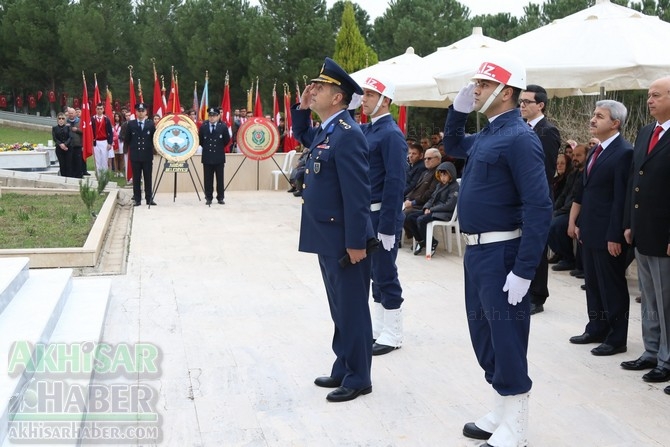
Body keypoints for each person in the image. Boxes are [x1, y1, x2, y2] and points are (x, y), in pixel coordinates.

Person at [442, 56, 551, 446]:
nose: (476, 90)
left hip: (504, 252)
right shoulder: (490, 133)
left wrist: (524, 270)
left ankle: (517, 423)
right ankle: (500, 408)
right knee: (484, 334)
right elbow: (453, 144)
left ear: (506, 92)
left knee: (506, 336)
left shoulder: (521, 139)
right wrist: (456, 112)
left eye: (483, 85)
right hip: (478, 253)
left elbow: (539, 207)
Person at [291, 57, 374, 403]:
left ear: (338, 97)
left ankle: (359, 377)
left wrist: (356, 243)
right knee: (339, 307)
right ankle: (343, 366)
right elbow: (303, 135)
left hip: (345, 239)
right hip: (327, 236)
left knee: (352, 307)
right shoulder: (328, 130)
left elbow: (358, 196)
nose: (314, 90)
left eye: (321, 88)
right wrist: (302, 107)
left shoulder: (348, 135)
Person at [568, 100, 632, 357]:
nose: (593, 120)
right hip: (590, 230)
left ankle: (617, 338)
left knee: (612, 286)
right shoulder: (596, 150)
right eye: (593, 115)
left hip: (609, 234)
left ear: (615, 123)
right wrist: (577, 222)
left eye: (600, 116)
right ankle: (596, 327)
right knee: (593, 284)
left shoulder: (624, 152)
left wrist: (615, 235)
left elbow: (620, 198)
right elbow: (587, 191)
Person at [622, 76, 670, 391]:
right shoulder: (645, 132)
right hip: (643, 231)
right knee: (650, 298)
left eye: (656, 95)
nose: (649, 100)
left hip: (665, 233)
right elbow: (633, 181)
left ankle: (667, 360)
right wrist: (629, 223)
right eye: (648, 95)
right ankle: (651, 351)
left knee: (667, 302)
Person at [360, 76, 407, 356]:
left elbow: (395, 182)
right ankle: (380, 327)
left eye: (369, 94)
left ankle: (394, 332)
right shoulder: (368, 130)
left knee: (386, 273)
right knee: (374, 274)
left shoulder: (391, 133)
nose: (363, 99)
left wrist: (388, 226)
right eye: (364, 94)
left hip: (382, 215)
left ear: (385, 100)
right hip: (368, 214)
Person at [519, 84, 561, 315]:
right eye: (521, 102)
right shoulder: (519, 127)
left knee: (536, 248)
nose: (522, 105)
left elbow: (545, 170)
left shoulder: (547, 130)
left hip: (536, 199)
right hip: (518, 200)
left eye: (527, 102)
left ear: (541, 105)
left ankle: (537, 295)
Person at [404, 161, 459, 256]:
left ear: (451, 174)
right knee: (410, 218)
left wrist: (432, 209)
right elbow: (432, 198)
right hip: (433, 210)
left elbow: (449, 205)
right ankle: (421, 240)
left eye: (445, 175)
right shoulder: (439, 185)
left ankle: (432, 242)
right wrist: (426, 207)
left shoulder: (454, 187)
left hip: (444, 213)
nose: (442, 178)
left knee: (421, 220)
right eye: (441, 175)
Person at [549, 144, 587, 272]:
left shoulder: (586, 174)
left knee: (557, 224)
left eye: (579, 155)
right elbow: (564, 195)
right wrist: (554, 209)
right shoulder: (572, 174)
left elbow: (576, 199)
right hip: (566, 210)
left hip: (577, 212)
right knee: (547, 221)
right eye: (574, 155)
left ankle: (568, 258)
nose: (575, 158)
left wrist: (559, 212)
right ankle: (559, 253)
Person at [124, 103, 157, 206]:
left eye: (143, 111)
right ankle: (137, 199)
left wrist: (155, 151)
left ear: (146, 112)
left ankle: (149, 199)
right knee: (136, 179)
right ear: (136, 112)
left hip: (147, 156)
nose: (141, 113)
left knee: (148, 178)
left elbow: (154, 139)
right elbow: (127, 139)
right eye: (139, 111)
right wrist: (126, 151)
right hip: (135, 156)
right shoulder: (131, 124)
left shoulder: (150, 124)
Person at [198, 107, 230, 205]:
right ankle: (208, 197)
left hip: (219, 156)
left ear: (218, 116)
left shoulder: (223, 126)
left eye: (214, 116)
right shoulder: (204, 126)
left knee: (220, 179)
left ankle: (220, 197)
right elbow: (201, 141)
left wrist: (219, 149)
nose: (212, 118)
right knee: (208, 179)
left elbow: (226, 140)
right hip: (207, 156)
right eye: (210, 116)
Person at [91, 102, 113, 176]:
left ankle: (104, 177)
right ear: (96, 109)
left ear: (103, 110)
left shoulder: (106, 119)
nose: (99, 110)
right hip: (96, 142)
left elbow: (110, 132)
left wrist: (110, 143)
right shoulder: (92, 119)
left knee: (104, 160)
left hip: (104, 141)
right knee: (97, 160)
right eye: (98, 109)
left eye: (101, 109)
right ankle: (99, 177)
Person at [52, 113, 72, 177]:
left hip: (68, 148)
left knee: (68, 164)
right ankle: (63, 177)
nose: (61, 120)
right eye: (59, 118)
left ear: (65, 120)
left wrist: (65, 144)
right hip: (59, 148)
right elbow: (55, 138)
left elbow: (70, 137)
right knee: (62, 164)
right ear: (57, 120)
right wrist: (60, 144)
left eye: (62, 118)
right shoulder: (54, 128)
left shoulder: (68, 127)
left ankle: (68, 178)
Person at [66, 107, 83, 178]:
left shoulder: (80, 121)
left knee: (78, 161)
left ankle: (79, 175)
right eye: (69, 113)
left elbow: (84, 131)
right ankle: (71, 175)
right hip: (69, 145)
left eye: (72, 113)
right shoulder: (65, 122)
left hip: (77, 144)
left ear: (75, 114)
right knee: (70, 161)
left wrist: (77, 130)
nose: (71, 115)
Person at [111, 112, 125, 178]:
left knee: (121, 157)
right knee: (115, 157)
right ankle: (116, 171)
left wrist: (119, 136)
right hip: (115, 143)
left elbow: (124, 133)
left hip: (121, 142)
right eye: (115, 116)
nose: (116, 118)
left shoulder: (122, 125)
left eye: (118, 116)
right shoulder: (113, 125)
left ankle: (121, 171)